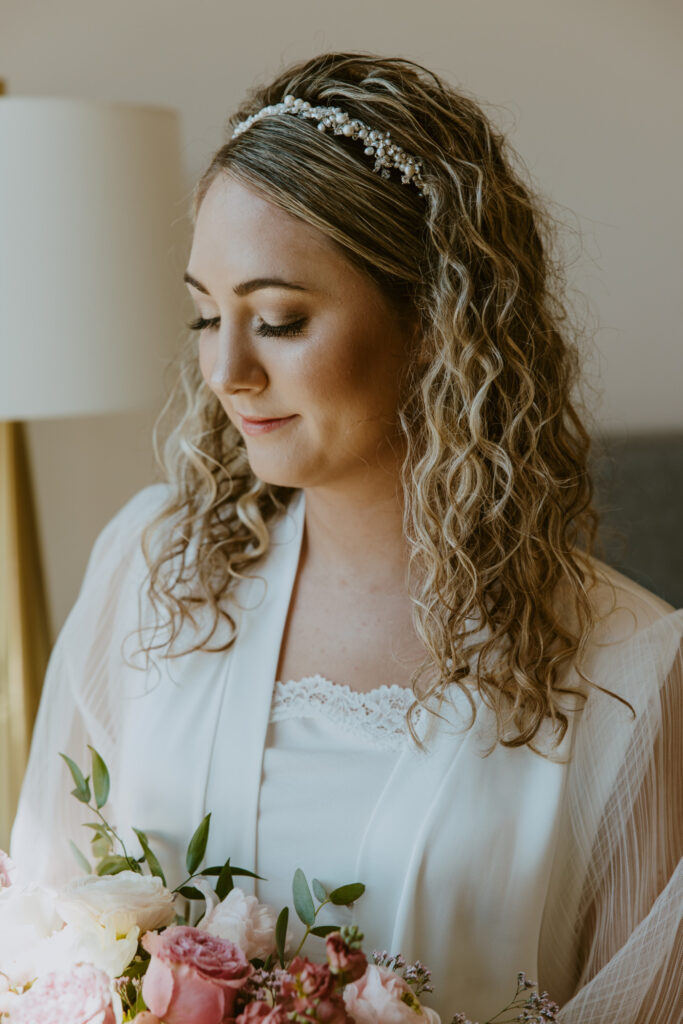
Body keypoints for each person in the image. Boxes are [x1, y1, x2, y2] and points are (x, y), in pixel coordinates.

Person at [9, 52, 682, 1024]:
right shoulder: (152, 565)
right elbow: (40, 924)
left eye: (278, 318)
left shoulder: (628, 676)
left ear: (436, 324)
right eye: (206, 313)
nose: (226, 369)